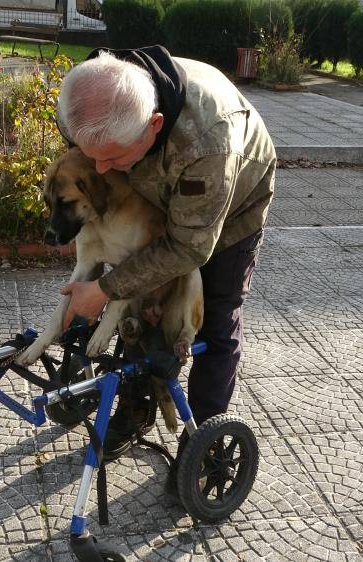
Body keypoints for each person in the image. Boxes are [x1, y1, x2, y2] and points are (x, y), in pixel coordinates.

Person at [56, 46, 276, 483]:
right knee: (138, 311)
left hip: (228, 213)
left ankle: (202, 443)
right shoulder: (91, 98)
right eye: (91, 155)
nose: (100, 168)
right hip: (155, 198)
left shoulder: (208, 145)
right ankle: (137, 411)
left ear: (154, 125)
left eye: (112, 159)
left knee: (214, 320)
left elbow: (188, 248)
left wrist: (104, 289)